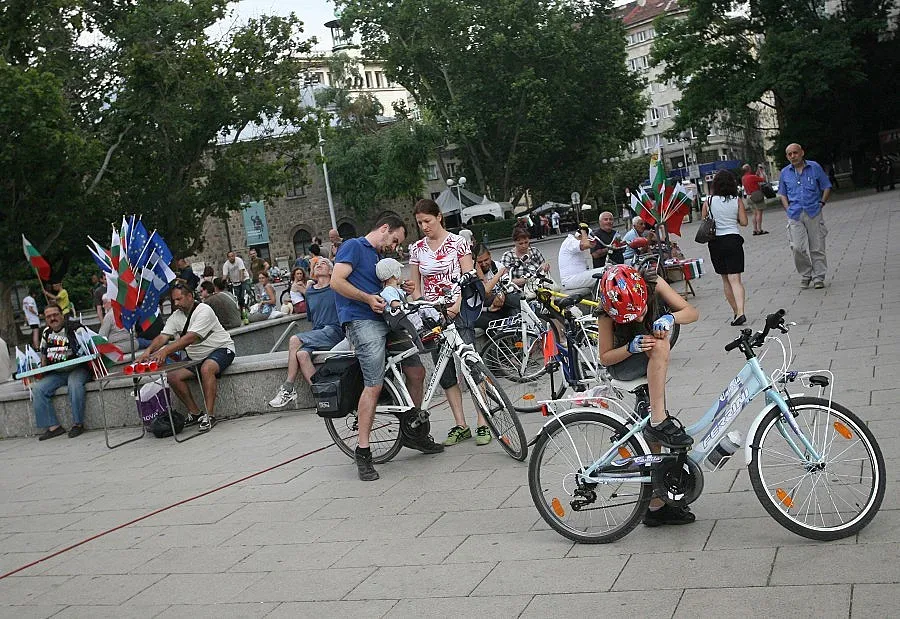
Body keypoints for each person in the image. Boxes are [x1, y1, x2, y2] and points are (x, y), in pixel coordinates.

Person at [331, 215, 443, 481]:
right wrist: (368, 298)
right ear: (384, 229)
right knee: (374, 383)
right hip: (361, 320)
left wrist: (399, 288)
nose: (394, 247)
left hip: (387, 318)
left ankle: (414, 432)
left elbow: (382, 287)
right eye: (394, 240)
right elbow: (336, 281)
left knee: (416, 371)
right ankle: (363, 451)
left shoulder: (377, 257)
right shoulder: (354, 247)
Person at [596, 265, 699, 526]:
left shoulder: (652, 282)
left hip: (654, 353)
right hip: (626, 360)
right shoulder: (605, 312)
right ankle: (657, 420)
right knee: (654, 418)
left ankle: (657, 502)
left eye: (640, 311)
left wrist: (670, 319)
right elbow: (605, 357)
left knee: (651, 423)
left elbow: (691, 312)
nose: (636, 318)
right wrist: (630, 348)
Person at [409, 199, 491, 448]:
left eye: (427, 221)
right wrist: (419, 303)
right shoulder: (417, 249)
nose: (424, 226)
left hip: (458, 310)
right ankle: (460, 423)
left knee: (471, 365)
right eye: (419, 223)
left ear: (439, 217)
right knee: (444, 371)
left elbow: (468, 276)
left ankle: (483, 421)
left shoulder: (458, 243)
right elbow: (415, 286)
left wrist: (456, 302)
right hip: (432, 316)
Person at [139, 280, 236, 432]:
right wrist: (148, 351)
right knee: (172, 376)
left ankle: (210, 415)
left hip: (221, 349)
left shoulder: (204, 310)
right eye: (174, 300)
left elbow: (191, 337)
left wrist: (165, 351)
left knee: (207, 368)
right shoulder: (176, 316)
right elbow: (163, 336)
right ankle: (195, 412)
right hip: (196, 356)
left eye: (179, 299)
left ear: (190, 296)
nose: (176, 303)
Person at [268, 258, 346, 407]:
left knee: (294, 340)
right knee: (301, 354)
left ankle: (288, 388)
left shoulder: (337, 288)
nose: (319, 265)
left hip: (334, 331)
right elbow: (312, 319)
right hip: (319, 333)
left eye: (324, 264)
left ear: (331, 271)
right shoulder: (310, 292)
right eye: (316, 264)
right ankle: (323, 396)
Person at [31, 304, 90, 440]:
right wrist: (40, 371)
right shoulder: (45, 333)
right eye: (49, 316)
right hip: (57, 373)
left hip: (78, 369)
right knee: (38, 389)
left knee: (74, 385)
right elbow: (43, 355)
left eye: (55, 314)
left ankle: (78, 424)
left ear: (62, 315)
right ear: (45, 319)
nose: (53, 318)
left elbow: (89, 348)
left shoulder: (76, 328)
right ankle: (54, 427)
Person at [778, 143, 832, 289]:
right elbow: (782, 193)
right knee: (797, 247)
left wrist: (822, 203)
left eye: (795, 153)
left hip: (813, 211)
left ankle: (818, 277)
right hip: (794, 214)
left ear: (802, 152)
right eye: (789, 154)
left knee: (817, 247)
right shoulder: (785, 172)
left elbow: (826, 185)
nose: (793, 156)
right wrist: (787, 208)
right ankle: (806, 273)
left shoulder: (814, 167)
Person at [703, 170, 749, 325]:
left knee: (725, 280)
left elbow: (705, 221)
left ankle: (735, 312)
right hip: (733, 240)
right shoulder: (737, 201)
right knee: (735, 279)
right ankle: (741, 311)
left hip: (716, 243)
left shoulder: (708, 201)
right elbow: (744, 222)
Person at [559, 222, 603, 294]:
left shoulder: (576, 243)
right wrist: (583, 230)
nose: (588, 240)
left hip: (578, 276)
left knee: (608, 268)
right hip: (571, 279)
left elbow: (589, 244)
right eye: (587, 238)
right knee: (605, 272)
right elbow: (585, 244)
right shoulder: (570, 241)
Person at [741, 163, 769, 236]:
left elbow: (753, 179)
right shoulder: (752, 177)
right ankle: (760, 229)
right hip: (756, 195)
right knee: (759, 213)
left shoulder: (743, 178)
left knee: (754, 213)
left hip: (749, 196)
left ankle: (755, 229)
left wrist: (757, 173)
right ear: (749, 169)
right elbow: (763, 179)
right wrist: (762, 171)